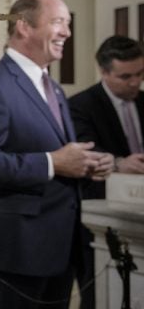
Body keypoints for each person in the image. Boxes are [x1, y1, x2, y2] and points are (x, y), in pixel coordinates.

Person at [0, 0, 114, 309]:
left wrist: (85, 164)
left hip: (59, 248)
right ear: (24, 27)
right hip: (12, 250)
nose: (68, 32)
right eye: (58, 22)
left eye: (68, 24)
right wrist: (52, 163)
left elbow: (57, 154)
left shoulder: (52, 86)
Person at [68, 35, 144, 309]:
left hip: (140, 213)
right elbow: (84, 152)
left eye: (139, 73)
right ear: (104, 71)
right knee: (99, 295)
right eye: (126, 76)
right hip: (100, 215)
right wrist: (119, 162)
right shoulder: (80, 105)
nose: (135, 82)